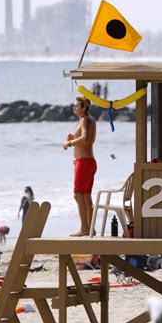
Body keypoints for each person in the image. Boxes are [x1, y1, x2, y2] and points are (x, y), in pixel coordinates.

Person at [62, 96, 97, 237]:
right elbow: (83, 138)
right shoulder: (86, 120)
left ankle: (84, 228)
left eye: (77, 106)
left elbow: (86, 139)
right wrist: (73, 138)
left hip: (84, 162)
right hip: (85, 162)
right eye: (74, 105)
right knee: (86, 196)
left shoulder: (86, 120)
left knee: (78, 195)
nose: (74, 108)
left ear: (84, 108)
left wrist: (69, 143)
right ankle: (90, 229)